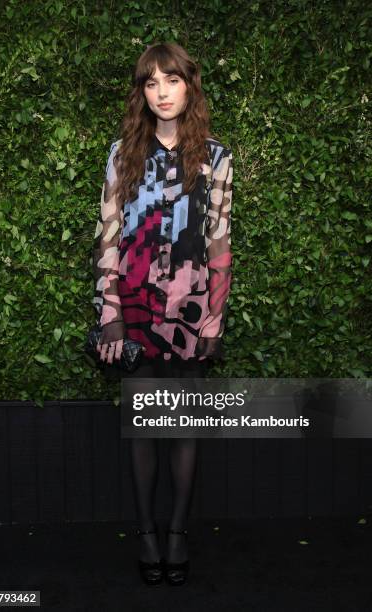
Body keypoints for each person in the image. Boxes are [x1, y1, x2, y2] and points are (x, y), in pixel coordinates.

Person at [92, 42, 233, 586]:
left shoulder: (215, 157)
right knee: (146, 426)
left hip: (191, 305)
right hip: (134, 303)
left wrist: (213, 322)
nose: (162, 93)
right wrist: (109, 314)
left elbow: (220, 241)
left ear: (188, 86)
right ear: (142, 93)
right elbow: (108, 234)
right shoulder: (122, 153)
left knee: (182, 427)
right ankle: (146, 532)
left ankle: (177, 533)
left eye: (170, 81)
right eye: (151, 83)